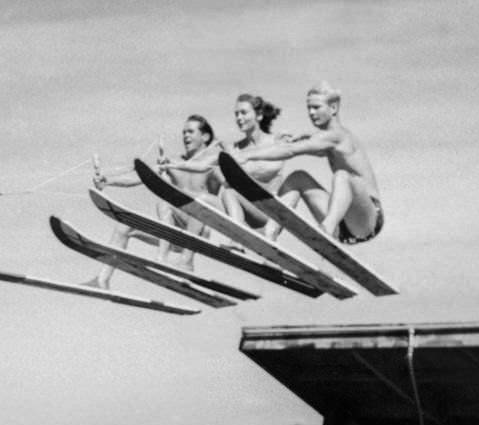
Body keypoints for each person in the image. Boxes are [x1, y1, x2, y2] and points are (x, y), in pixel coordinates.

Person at [233, 81, 383, 246]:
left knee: (343, 176)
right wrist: (304, 140)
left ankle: (326, 230)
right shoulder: (326, 139)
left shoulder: (337, 135)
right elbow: (309, 148)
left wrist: (247, 155)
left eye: (316, 107)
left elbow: (290, 151)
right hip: (344, 222)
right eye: (309, 108)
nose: (311, 113)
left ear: (333, 108)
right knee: (298, 178)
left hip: (367, 219)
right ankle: (270, 232)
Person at [88, 114, 221, 286]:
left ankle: (180, 261)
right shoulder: (173, 162)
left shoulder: (212, 164)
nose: (185, 136)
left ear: (205, 137)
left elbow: (226, 191)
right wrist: (109, 181)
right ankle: (103, 280)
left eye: (190, 132)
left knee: (178, 202)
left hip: (199, 235)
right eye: (183, 132)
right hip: (174, 233)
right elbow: (142, 177)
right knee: (124, 226)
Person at [160, 93, 285, 234]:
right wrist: (172, 165)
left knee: (229, 192)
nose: (239, 118)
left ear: (259, 115)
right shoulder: (233, 148)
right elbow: (201, 165)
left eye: (243, 113)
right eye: (236, 114)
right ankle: (190, 250)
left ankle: (238, 236)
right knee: (204, 199)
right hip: (242, 211)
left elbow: (288, 157)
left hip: (267, 212)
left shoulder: (277, 141)